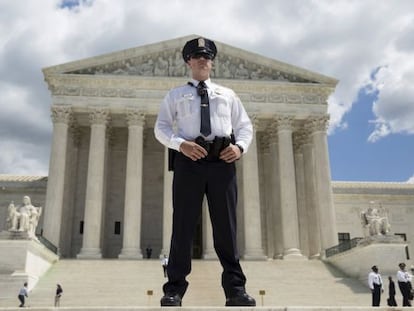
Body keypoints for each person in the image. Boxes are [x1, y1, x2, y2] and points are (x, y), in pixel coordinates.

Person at [154, 36, 255, 307]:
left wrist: (240, 148)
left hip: (223, 159)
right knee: (183, 226)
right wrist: (180, 145)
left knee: (226, 227)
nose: (203, 60)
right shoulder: (175, 95)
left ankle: (235, 290)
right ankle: (174, 289)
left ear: (212, 62)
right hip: (190, 160)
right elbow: (161, 128)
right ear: (189, 61)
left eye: (207, 57)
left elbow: (245, 127)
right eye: (198, 56)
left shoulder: (228, 95)